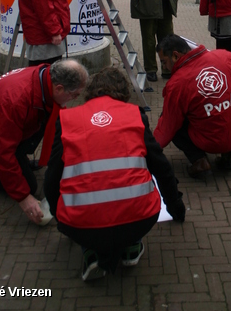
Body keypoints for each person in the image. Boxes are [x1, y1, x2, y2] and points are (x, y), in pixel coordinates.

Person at [44, 66, 185, 280]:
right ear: (125, 94)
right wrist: (176, 208)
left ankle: (91, 253)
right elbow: (161, 168)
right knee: (132, 209)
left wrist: (61, 219)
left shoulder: (66, 121)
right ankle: (131, 247)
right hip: (139, 220)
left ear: (89, 93)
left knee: (89, 225)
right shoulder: (135, 115)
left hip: (81, 225)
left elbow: (52, 178)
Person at [0, 60, 89, 225]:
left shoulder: (46, 77)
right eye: (74, 95)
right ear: (59, 88)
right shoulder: (15, 101)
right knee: (28, 186)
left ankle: (21, 159)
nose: (75, 99)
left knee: (52, 123)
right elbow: (2, 153)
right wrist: (24, 198)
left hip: (5, 123)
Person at [154, 35, 231, 178]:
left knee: (171, 120)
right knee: (229, 108)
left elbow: (168, 125)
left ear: (176, 56)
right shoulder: (223, 56)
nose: (164, 67)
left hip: (213, 140)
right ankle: (230, 154)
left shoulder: (177, 84)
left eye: (164, 62)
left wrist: (149, 149)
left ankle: (199, 162)